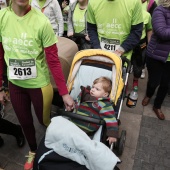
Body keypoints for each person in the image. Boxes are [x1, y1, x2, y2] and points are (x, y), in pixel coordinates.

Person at [0, 0, 74, 169]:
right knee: (25, 123)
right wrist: (0, 87)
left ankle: (56, 143)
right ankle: (33, 151)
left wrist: (64, 93)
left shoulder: (41, 22)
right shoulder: (2, 17)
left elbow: (54, 61)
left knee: (44, 121)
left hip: (39, 86)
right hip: (15, 85)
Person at [142, 0, 170, 120]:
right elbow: (162, 32)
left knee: (166, 84)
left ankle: (157, 106)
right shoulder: (159, 10)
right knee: (154, 81)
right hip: (156, 55)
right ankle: (149, 94)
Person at [73, 77, 118, 145]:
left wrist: (112, 134)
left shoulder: (104, 104)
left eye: (97, 89)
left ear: (105, 94)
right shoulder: (85, 95)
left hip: (87, 130)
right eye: (93, 87)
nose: (93, 90)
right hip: (74, 123)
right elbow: (76, 104)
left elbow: (111, 119)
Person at [132, 0, 152, 86]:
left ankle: (135, 81)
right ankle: (122, 84)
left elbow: (149, 29)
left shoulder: (147, 15)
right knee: (123, 65)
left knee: (138, 66)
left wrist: (149, 44)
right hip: (128, 43)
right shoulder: (128, 13)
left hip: (141, 44)